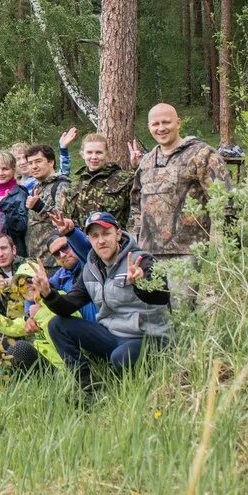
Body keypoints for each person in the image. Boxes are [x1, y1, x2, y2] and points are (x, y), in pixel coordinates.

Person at [34, 212, 172, 395]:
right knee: (57, 325)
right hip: (112, 335)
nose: (101, 241)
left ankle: (130, 392)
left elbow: (162, 297)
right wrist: (47, 293)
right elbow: (68, 305)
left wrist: (141, 283)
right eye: (95, 236)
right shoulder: (91, 270)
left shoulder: (141, 260)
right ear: (89, 240)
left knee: (120, 358)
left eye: (106, 233)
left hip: (147, 337)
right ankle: (87, 387)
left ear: (118, 234)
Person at [128, 103, 232, 302]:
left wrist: (228, 246)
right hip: (149, 252)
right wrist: (138, 238)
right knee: (154, 315)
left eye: (166, 122)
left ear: (178, 123)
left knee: (181, 313)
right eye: (155, 124)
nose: (161, 128)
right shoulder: (147, 161)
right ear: (149, 127)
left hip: (185, 251)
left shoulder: (201, 155)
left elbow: (225, 200)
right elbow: (136, 202)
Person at [62, 133, 134, 227]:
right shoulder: (74, 184)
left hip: (114, 239)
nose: (94, 157)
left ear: (106, 154)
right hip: (81, 240)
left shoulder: (124, 179)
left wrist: (137, 167)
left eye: (99, 152)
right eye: (89, 152)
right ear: (82, 154)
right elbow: (67, 219)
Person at [25, 143, 72, 269]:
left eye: (38, 161)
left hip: (56, 260)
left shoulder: (61, 185)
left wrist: (39, 206)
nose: (34, 166)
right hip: (38, 259)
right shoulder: (36, 187)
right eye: (30, 163)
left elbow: (64, 220)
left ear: (51, 162)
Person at [0, 151, 29, 256]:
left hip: (10, 252)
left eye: (5, 169)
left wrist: (7, 206)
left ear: (13, 170)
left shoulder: (20, 193)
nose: (0, 173)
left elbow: (21, 226)